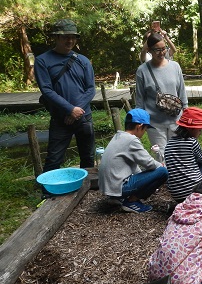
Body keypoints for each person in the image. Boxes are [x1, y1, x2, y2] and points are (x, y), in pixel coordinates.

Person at [34, 19, 96, 179]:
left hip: (83, 117)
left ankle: (87, 193)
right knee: (53, 160)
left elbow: (90, 89)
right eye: (65, 37)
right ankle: (48, 195)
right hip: (60, 119)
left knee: (88, 159)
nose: (70, 41)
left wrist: (76, 111)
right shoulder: (43, 60)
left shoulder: (83, 61)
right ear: (56, 37)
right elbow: (46, 90)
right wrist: (69, 110)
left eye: (73, 37)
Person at [98, 109, 168, 213]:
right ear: (139, 126)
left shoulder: (118, 136)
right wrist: (162, 165)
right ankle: (132, 202)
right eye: (145, 129)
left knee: (153, 170)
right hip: (119, 187)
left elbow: (134, 165)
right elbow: (149, 163)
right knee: (163, 172)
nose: (145, 132)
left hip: (108, 187)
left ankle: (116, 198)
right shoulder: (131, 140)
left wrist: (144, 180)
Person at [135, 32, 188, 163]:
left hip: (176, 120)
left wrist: (186, 113)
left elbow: (182, 91)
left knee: (178, 156)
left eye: (164, 48)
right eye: (157, 50)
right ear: (149, 51)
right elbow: (140, 99)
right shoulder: (142, 71)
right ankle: (164, 182)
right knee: (161, 159)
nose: (161, 52)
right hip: (155, 124)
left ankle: (178, 182)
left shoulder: (175, 66)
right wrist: (141, 121)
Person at [164, 107, 202, 203]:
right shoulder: (192, 142)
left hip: (176, 193)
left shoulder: (169, 143)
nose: (200, 133)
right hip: (194, 190)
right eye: (199, 130)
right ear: (190, 128)